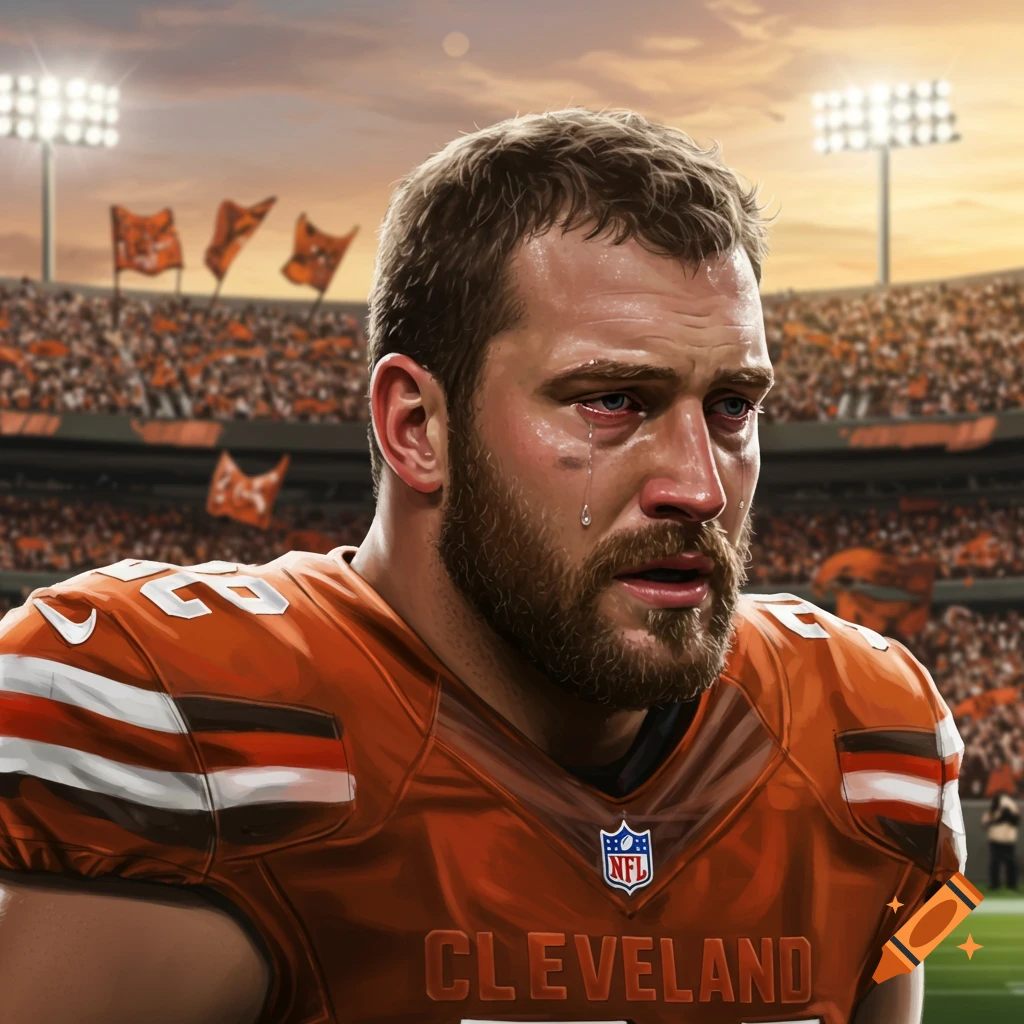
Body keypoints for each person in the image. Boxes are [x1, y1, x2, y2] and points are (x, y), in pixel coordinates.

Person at [0, 108, 964, 1024]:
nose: (700, 488)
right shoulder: (184, 722)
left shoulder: (866, 739)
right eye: (613, 401)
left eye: (732, 408)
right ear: (417, 427)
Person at [982, 788, 1020, 890]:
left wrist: (1009, 816)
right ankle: (995, 885)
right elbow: (985, 823)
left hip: (1008, 839)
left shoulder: (1011, 806)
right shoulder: (992, 809)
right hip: (996, 839)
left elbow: (1016, 820)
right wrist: (998, 819)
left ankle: (1011, 885)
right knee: (995, 863)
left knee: (1011, 863)